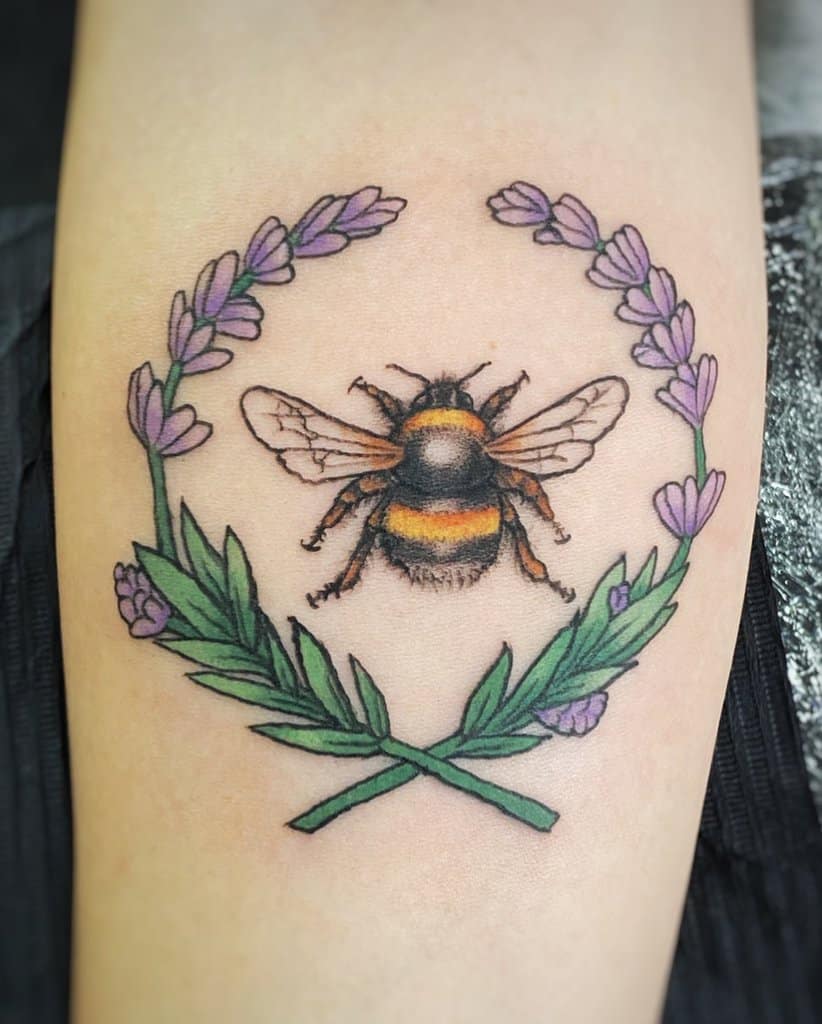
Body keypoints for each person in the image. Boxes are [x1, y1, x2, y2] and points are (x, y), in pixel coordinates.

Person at [53, 2, 766, 1020]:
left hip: (415, 541)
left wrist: (335, 551)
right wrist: (548, 543)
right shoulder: (503, 449)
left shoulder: (384, 449)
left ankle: (373, 567)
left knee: (367, 507)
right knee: (504, 511)